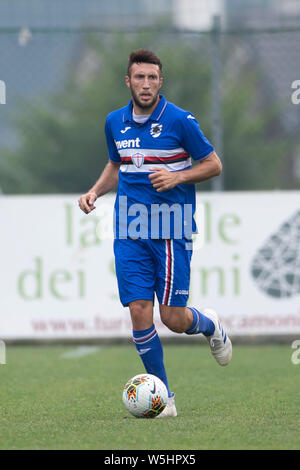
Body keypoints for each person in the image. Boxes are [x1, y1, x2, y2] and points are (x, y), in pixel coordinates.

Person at [78, 48, 232, 418]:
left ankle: (210, 325)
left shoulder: (180, 121)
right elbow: (118, 163)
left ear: (160, 82)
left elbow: (214, 164)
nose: (145, 84)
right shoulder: (115, 122)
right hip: (128, 229)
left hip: (171, 229)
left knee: (173, 319)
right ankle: (166, 400)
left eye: (152, 78)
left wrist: (178, 175)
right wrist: (96, 191)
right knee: (138, 310)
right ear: (127, 81)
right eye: (139, 77)